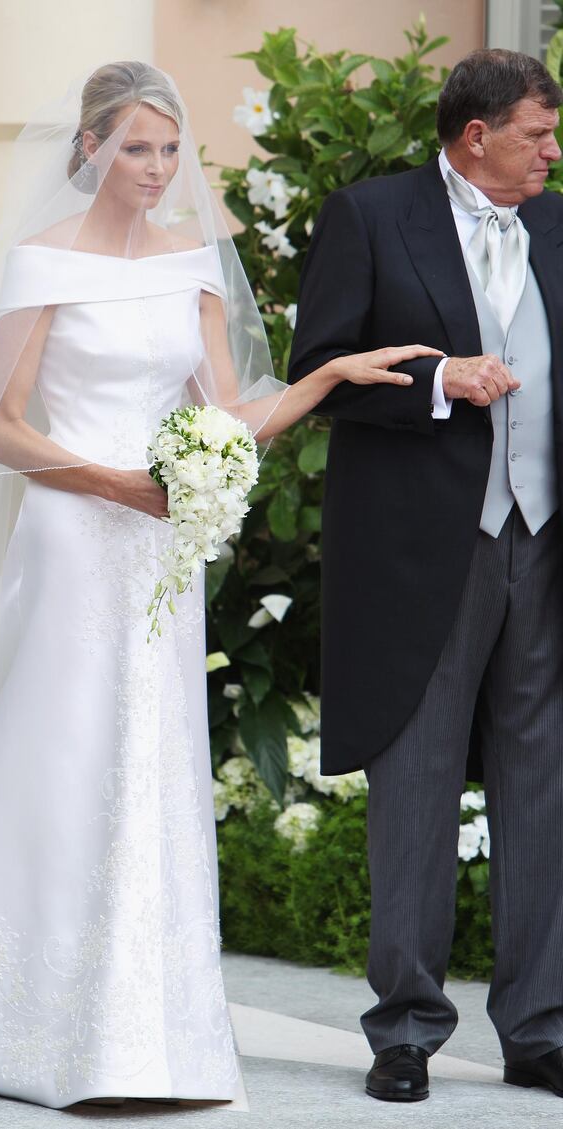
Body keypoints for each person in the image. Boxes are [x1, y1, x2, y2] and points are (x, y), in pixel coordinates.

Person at [0, 61, 433, 1109]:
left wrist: (323, 379)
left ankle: (141, 1036)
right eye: (133, 148)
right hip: (75, 536)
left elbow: (226, 414)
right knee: (60, 753)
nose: (155, 170)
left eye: (168, 150)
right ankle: (20, 1010)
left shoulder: (192, 269)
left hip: (156, 551)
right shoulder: (41, 262)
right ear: (88, 151)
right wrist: (118, 482)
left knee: (151, 762)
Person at [289, 48, 563, 1104]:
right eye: (535, 133)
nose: (550, 150)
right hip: (419, 552)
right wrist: (438, 381)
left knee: (540, 788)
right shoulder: (368, 215)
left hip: (541, 544)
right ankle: (403, 1029)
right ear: (473, 138)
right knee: (413, 788)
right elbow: (325, 372)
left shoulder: (555, 222)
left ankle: (536, 1026)